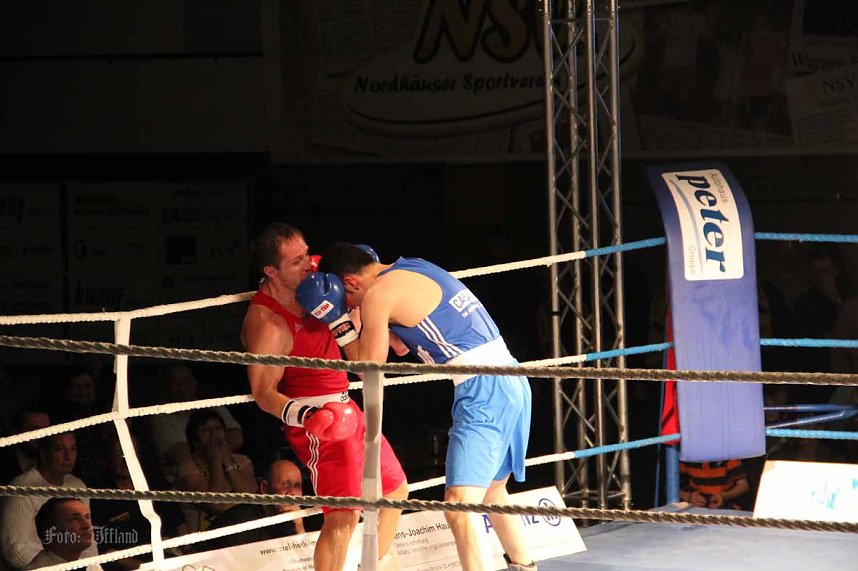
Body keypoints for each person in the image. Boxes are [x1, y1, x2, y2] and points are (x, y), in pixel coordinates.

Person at [301, 243, 536, 571]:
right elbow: (398, 345)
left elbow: (369, 366)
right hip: (512, 379)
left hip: (484, 389)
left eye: (348, 297)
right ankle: (525, 566)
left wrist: (338, 321)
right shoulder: (414, 266)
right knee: (493, 494)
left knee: (458, 507)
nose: (352, 305)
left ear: (351, 282)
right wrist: (358, 315)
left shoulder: (378, 295)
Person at [240, 223, 408, 571]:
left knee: (395, 490)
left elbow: (367, 274)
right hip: (319, 420)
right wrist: (306, 417)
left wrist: (386, 326)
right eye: (297, 261)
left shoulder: (320, 274)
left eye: (306, 253)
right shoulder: (270, 324)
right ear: (271, 271)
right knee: (343, 515)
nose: (309, 264)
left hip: (348, 404)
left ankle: (373, 565)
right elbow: (262, 393)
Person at [1, 432, 98, 569]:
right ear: (44, 454)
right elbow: (15, 550)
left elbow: (88, 541)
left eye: (72, 449)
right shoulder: (21, 488)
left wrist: (90, 568)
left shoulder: (78, 485)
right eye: (60, 448)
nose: (68, 456)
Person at [148, 362, 244, 484]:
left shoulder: (213, 406)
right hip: (187, 484)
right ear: (166, 388)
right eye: (175, 384)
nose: (182, 388)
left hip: (228, 475)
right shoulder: (159, 416)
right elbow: (180, 454)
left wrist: (202, 450)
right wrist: (218, 451)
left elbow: (237, 438)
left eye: (186, 381)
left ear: (195, 383)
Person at [196, 458, 306, 553]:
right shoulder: (241, 522)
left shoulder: (296, 520)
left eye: (297, 486)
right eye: (285, 484)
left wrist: (300, 531)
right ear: (264, 488)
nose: (292, 493)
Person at [174, 409, 257, 533]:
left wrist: (227, 462)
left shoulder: (242, 461)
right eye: (206, 430)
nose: (214, 435)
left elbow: (252, 499)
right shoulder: (187, 468)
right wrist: (216, 463)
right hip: (208, 536)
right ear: (195, 442)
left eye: (218, 428)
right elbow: (215, 505)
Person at [27, 498, 103, 571]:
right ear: (50, 531)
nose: (87, 525)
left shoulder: (92, 567)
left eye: (87, 517)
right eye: (74, 519)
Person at [0, 406, 50, 485]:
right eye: (35, 430)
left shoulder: (52, 466)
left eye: (48, 431)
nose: (43, 436)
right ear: (16, 434)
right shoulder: (3, 467)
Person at [678, 459, 750, 511]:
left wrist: (723, 496)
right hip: (694, 510)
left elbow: (743, 486)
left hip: (728, 509)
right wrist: (688, 496)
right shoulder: (686, 456)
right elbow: (670, 487)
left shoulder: (728, 454)